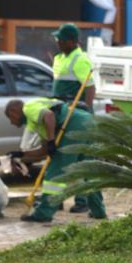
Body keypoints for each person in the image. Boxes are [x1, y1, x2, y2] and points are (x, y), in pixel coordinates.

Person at [4, 98, 106, 223]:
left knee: (56, 174)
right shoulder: (36, 121)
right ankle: (98, 210)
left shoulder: (28, 108)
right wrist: (22, 154)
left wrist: (51, 141)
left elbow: (49, 115)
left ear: (13, 111)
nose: (12, 123)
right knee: (86, 170)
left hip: (73, 125)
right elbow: (45, 149)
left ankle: (43, 213)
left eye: (10, 118)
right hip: (87, 121)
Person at [51, 23, 95, 214]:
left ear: (72, 41)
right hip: (60, 113)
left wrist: (86, 108)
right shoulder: (59, 58)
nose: (58, 42)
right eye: (57, 39)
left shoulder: (80, 59)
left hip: (76, 115)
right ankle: (56, 198)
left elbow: (90, 87)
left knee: (78, 159)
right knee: (57, 157)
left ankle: (82, 200)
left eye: (61, 39)